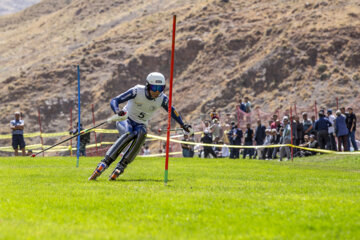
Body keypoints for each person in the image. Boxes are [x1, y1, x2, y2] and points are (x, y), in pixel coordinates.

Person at [89, 72, 191, 180]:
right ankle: (105, 163)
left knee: (142, 133)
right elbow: (115, 100)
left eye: (160, 88)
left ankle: (121, 166)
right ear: (147, 86)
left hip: (140, 124)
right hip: (125, 120)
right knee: (129, 133)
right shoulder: (137, 91)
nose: (157, 92)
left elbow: (173, 111)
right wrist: (117, 110)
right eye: (154, 87)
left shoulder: (162, 99)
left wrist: (183, 124)